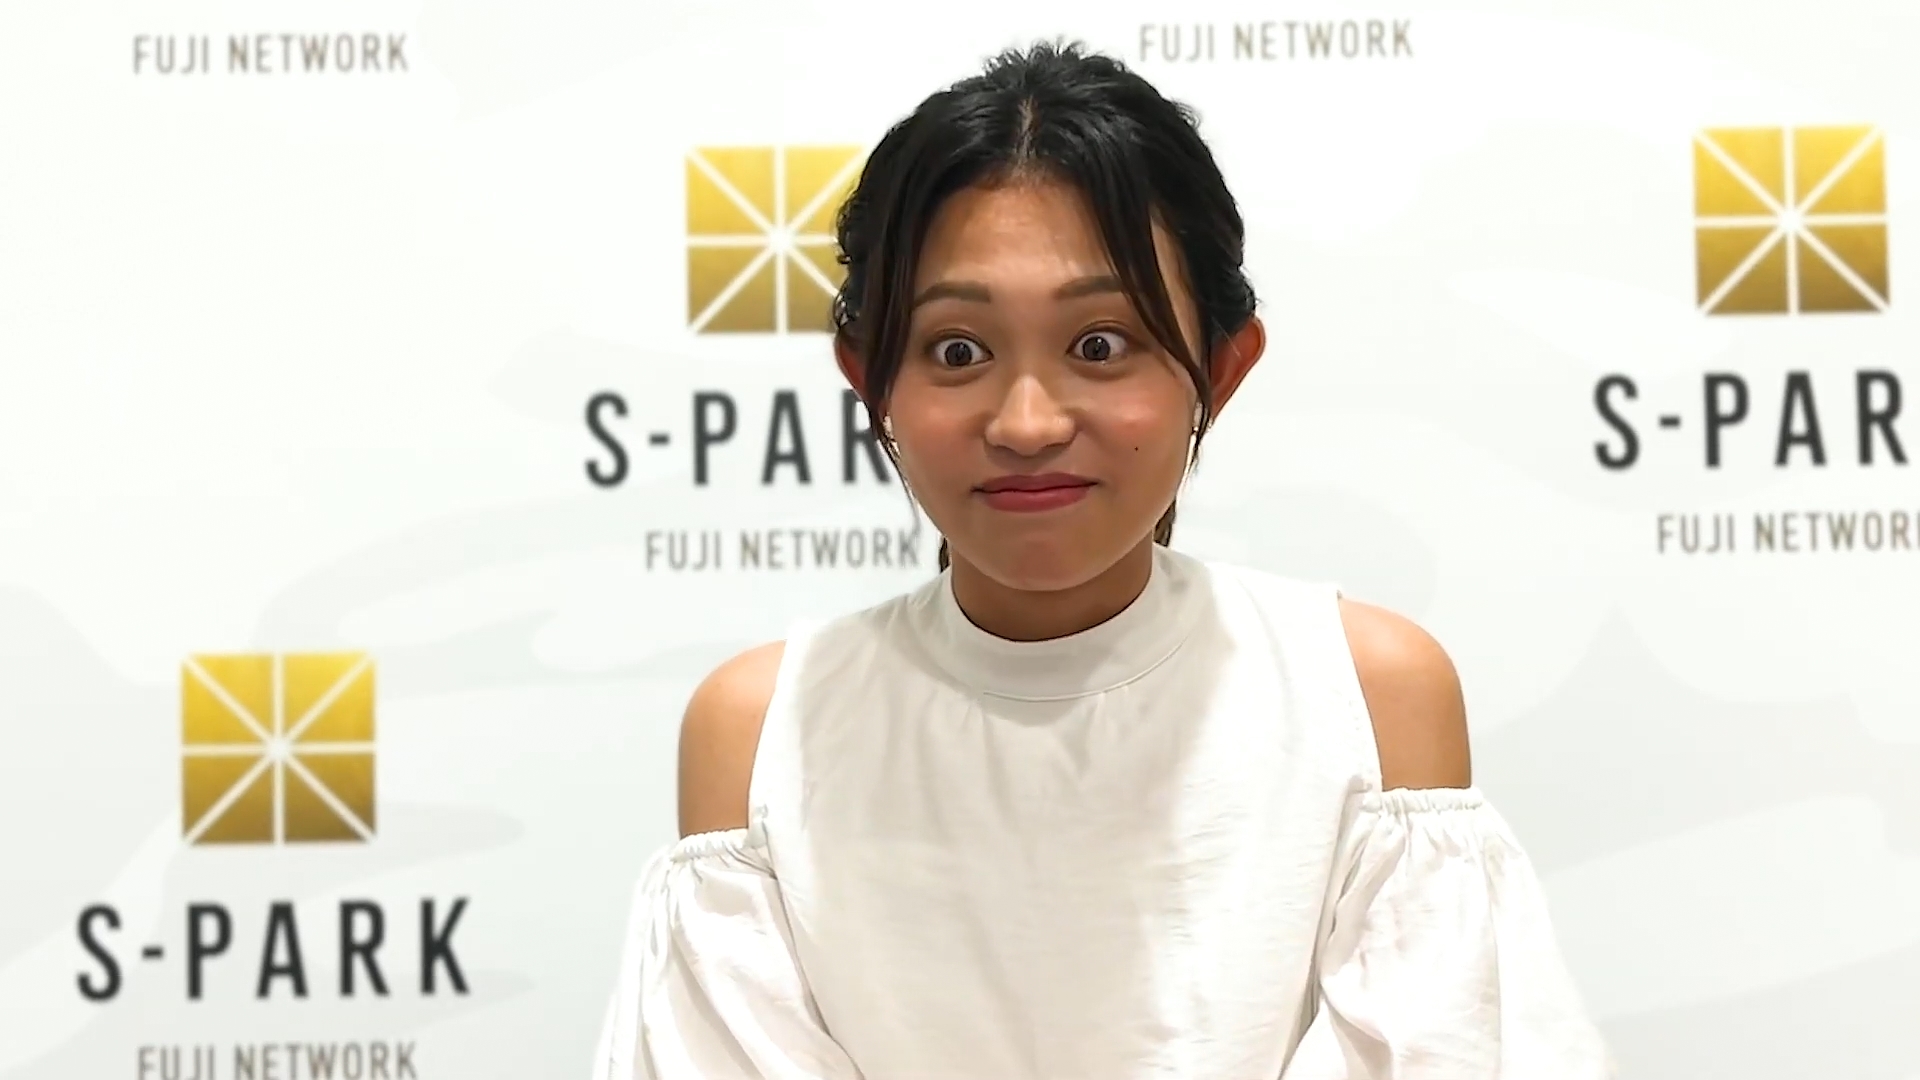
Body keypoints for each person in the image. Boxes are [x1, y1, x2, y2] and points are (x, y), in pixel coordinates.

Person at [594, 40, 1613, 1080]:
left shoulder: (1368, 697)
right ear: (871, 377)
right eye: (957, 351)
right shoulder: (764, 730)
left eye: (1099, 345)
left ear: (1220, 368)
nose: (1027, 423)